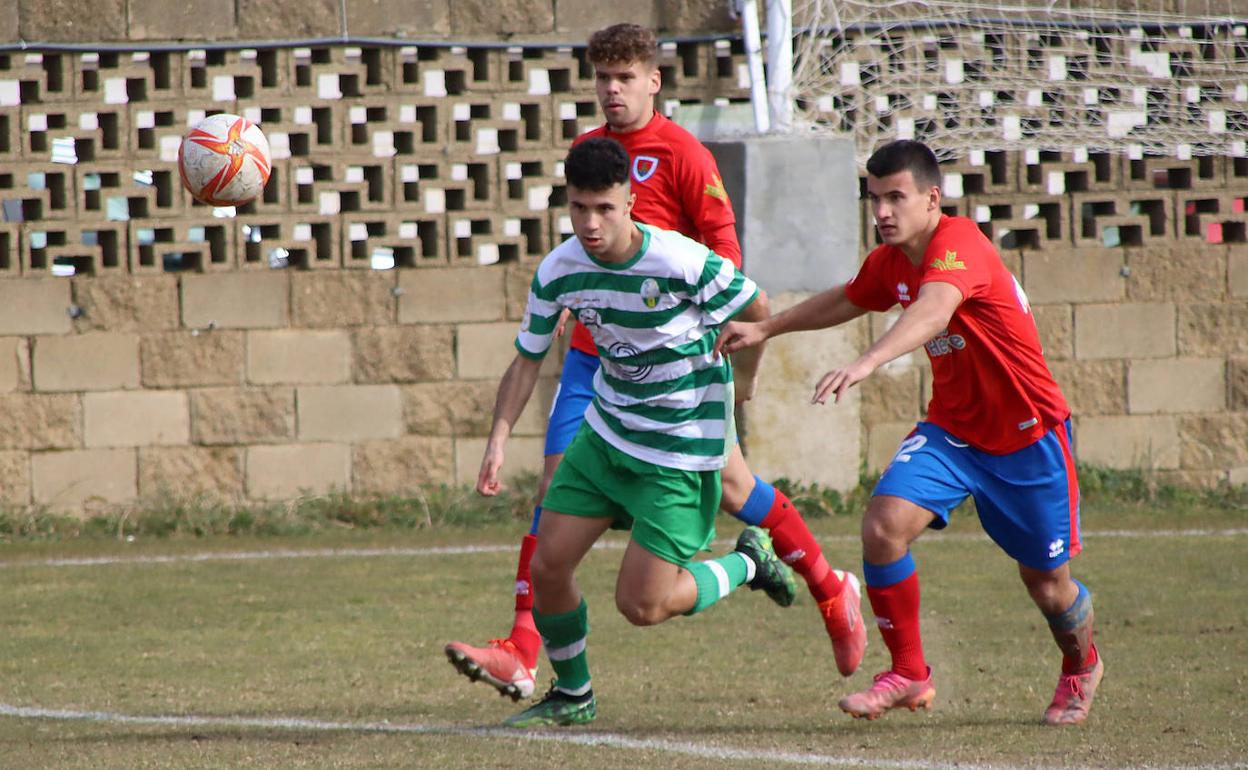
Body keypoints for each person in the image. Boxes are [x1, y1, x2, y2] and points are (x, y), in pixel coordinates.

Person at [444, 22, 865, 701]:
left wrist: (723, 359)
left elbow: (731, 271)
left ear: (653, 80)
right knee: (557, 501)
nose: (611, 90)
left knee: (733, 495)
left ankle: (816, 579)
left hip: (681, 362)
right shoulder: (590, 157)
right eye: (601, 78)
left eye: (624, 78)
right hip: (599, 360)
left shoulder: (684, 157)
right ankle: (527, 650)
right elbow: (548, 310)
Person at [715, 139, 1103, 726]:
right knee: (882, 527)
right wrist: (767, 327)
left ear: (931, 197)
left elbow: (933, 310)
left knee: (1048, 587)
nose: (882, 212)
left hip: (1028, 437)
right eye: (874, 198)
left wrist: (865, 363)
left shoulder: (959, 246)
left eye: (896, 197)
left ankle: (1082, 664)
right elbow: (848, 297)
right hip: (952, 432)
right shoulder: (892, 260)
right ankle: (909, 673)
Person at [477, 136, 797, 727]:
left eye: (604, 208)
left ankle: (749, 561)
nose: (591, 224)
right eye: (579, 208)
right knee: (548, 567)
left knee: (643, 606)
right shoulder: (560, 270)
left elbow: (758, 309)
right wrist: (498, 438)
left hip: (678, 450)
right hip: (607, 436)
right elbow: (527, 359)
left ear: (630, 201)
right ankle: (574, 696)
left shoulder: (678, 260)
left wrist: (742, 385)